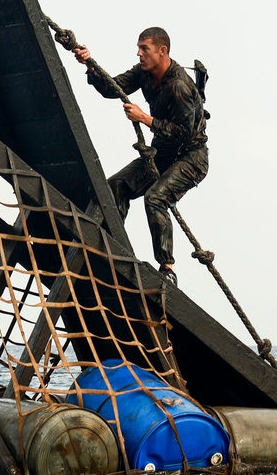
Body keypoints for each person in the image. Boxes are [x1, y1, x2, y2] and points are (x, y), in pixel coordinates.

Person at [73, 28, 208, 286]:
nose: (139, 53)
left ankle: (167, 268)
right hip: (163, 153)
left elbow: (183, 134)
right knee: (116, 185)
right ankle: (113, 247)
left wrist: (145, 119)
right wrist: (89, 64)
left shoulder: (179, 85)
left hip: (191, 157)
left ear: (162, 51)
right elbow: (112, 88)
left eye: (144, 48)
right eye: (139, 48)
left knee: (155, 197)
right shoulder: (144, 73)